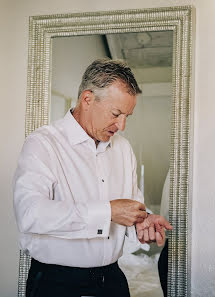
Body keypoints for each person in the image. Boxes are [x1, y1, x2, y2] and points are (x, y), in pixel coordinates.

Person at [13, 58, 172, 297]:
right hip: (56, 283)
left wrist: (142, 221)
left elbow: (130, 202)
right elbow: (30, 214)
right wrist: (108, 211)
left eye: (127, 115)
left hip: (112, 280)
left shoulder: (123, 148)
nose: (122, 125)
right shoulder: (43, 144)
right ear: (87, 99)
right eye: (116, 113)